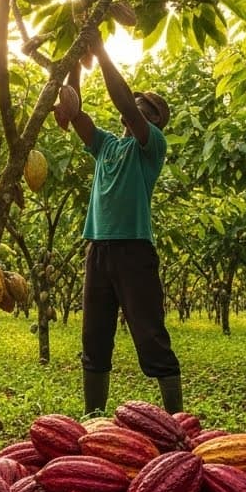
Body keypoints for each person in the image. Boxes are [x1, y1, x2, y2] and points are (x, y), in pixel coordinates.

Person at [54, 27, 183, 416]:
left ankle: (176, 420)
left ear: (157, 121)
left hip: (134, 250)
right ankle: (93, 419)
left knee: (150, 336)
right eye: (138, 106)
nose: (137, 112)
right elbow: (76, 115)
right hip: (98, 248)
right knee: (94, 338)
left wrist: (101, 52)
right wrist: (77, 62)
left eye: (147, 110)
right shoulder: (107, 145)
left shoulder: (151, 147)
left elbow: (123, 102)